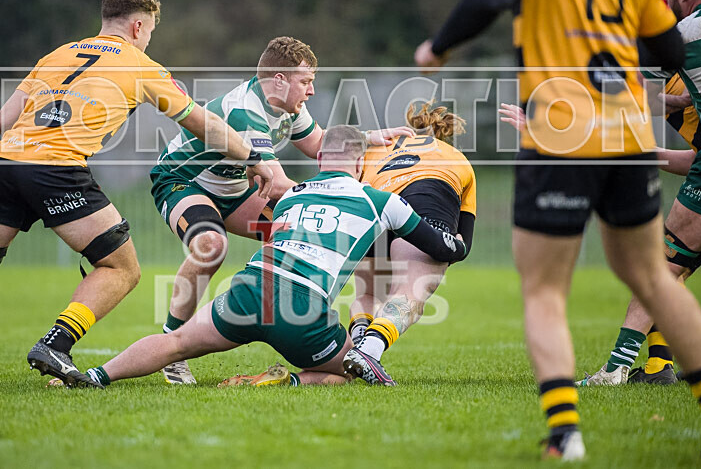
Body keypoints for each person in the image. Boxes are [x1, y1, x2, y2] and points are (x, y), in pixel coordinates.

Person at [415, 0, 701, 460]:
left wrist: (437, 47)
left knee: (545, 291)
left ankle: (565, 434)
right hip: (629, 134)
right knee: (657, 279)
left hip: (563, 133)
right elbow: (667, 47)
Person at [0, 0, 274, 390]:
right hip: (57, 169)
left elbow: (3, 121)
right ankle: (55, 345)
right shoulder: (140, 65)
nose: (148, 40)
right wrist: (252, 158)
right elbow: (200, 122)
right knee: (122, 268)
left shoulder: (57, 55)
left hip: (6, 163)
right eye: (149, 32)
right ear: (137, 27)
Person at [72, 125, 467, 389]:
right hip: (303, 310)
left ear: (319, 160)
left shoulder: (290, 196)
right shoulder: (381, 200)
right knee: (355, 371)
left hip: (248, 289)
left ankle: (93, 376)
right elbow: (438, 245)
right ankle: (283, 381)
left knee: (175, 342)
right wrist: (461, 239)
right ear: (361, 163)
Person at [150, 36, 413, 384]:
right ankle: (173, 346)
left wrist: (369, 137)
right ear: (279, 80)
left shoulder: (288, 108)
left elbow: (318, 144)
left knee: (300, 231)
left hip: (236, 190)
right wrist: (347, 197)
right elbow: (275, 184)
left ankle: (294, 321)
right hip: (185, 181)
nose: (312, 91)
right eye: (305, 82)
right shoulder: (246, 112)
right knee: (211, 246)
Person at [573, 0, 701, 387]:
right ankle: (657, 365)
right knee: (673, 268)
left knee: (659, 269)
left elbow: (616, 77)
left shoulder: (685, 35)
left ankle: (618, 367)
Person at [341, 101, 475, 385]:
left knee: (368, 292)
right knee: (411, 293)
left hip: (374, 200)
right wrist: (457, 249)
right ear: (442, 136)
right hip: (429, 193)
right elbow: (462, 239)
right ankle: (368, 352)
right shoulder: (455, 157)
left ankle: (358, 347)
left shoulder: (375, 148)